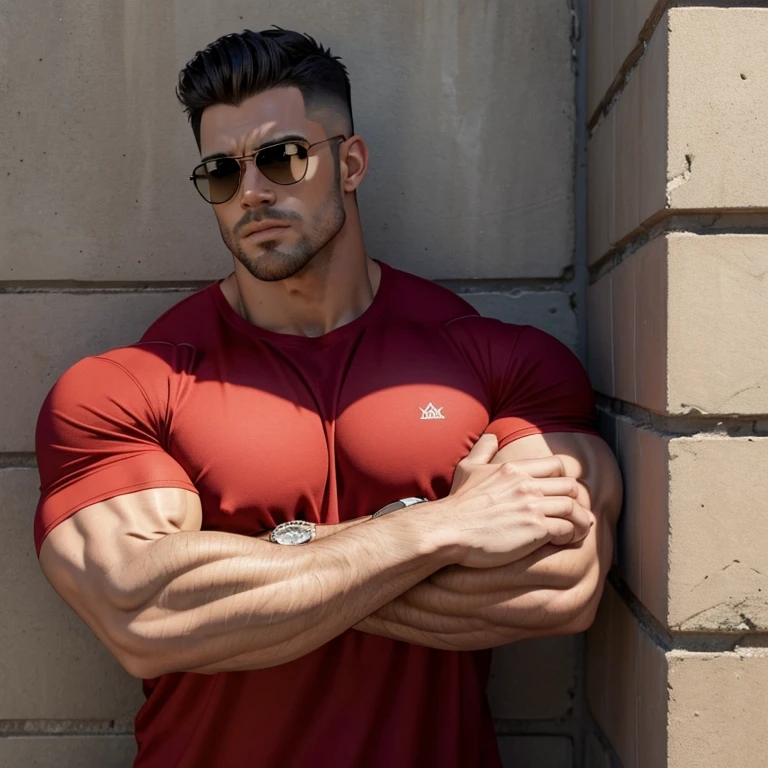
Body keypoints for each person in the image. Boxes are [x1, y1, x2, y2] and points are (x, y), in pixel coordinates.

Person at [34, 28, 621, 768]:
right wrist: (437, 529)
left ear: (350, 162)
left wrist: (257, 580)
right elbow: (145, 616)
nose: (251, 191)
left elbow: (560, 586)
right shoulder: (130, 384)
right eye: (221, 172)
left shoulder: (499, 363)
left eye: (282, 158)